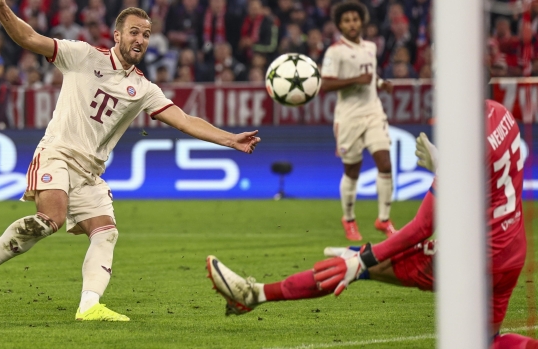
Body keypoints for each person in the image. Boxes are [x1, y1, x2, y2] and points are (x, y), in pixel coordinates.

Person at [0, 2, 261, 322]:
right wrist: (1, 7)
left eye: (146, 34)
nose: (140, 39)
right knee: (49, 220)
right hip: (57, 153)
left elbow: (183, 120)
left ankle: (89, 305)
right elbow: (29, 38)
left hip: (90, 173)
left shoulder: (143, 89)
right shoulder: (83, 55)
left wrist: (229, 139)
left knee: (106, 232)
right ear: (117, 35)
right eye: (133, 32)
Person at [206, 100, 537, 348]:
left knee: (355, 262)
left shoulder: (467, 142)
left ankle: (253, 295)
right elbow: (484, 184)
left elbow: (423, 226)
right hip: (511, 253)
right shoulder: (502, 115)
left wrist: (364, 259)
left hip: (474, 261)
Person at [320, 1, 395, 240]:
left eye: (355, 19)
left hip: (373, 112)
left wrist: (381, 83)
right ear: (340, 25)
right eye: (346, 21)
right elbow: (325, 84)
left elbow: (371, 76)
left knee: (385, 163)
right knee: (352, 170)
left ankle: (383, 220)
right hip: (349, 117)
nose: (352, 24)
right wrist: (356, 80)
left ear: (361, 21)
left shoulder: (371, 47)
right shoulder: (335, 52)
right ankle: (349, 219)